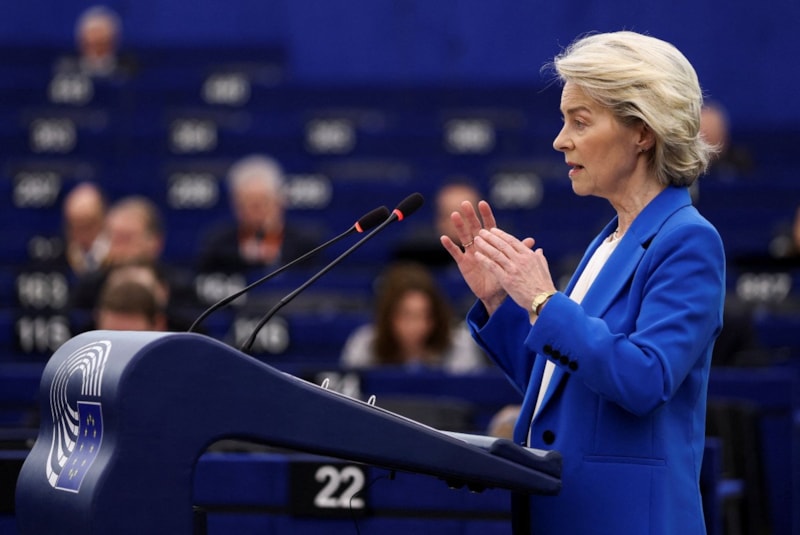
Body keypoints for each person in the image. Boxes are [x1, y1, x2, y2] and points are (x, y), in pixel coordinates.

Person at [441, 31, 725, 534]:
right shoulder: (610, 239)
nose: (560, 139)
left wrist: (543, 300)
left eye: (580, 120)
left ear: (642, 131)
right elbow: (564, 385)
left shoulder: (688, 240)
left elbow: (644, 380)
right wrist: (502, 301)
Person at [70, 196, 198, 332]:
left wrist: (159, 305)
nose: (118, 247)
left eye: (126, 238)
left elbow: (196, 334)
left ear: (155, 242)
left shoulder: (178, 286)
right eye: (112, 237)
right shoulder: (90, 287)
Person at [340, 262, 487, 374]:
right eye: (406, 315)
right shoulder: (364, 344)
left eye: (424, 315)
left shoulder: (460, 344)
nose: (416, 325)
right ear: (388, 316)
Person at [196, 155, 321, 275]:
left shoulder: (306, 244)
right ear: (236, 205)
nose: (258, 211)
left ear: (279, 201)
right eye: (250, 204)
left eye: (264, 202)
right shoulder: (218, 245)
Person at [392, 178, 483, 269]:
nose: (455, 222)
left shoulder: (488, 255)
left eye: (462, 215)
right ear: (438, 219)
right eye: (447, 215)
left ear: (478, 217)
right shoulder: (415, 254)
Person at [54, 5, 137, 81]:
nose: (96, 52)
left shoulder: (129, 70)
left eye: (101, 44)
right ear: (81, 42)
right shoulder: (67, 68)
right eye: (90, 44)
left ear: (114, 42)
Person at [61, 181, 109, 277]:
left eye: (88, 226)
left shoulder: (117, 257)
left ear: (103, 221)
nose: (82, 235)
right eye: (75, 228)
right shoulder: (61, 259)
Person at [699, 101, 754, 179]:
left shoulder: (739, 163)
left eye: (714, 129)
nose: (706, 136)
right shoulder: (687, 170)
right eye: (703, 132)